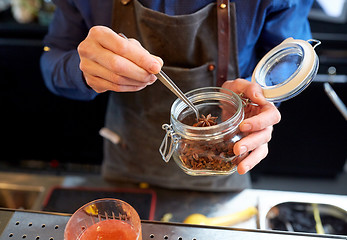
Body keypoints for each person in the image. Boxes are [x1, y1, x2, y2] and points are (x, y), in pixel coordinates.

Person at [40, 0, 313, 191]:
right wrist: (83, 69)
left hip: (230, 152)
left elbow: (289, 59)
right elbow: (51, 61)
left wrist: (260, 100)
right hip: (127, 160)